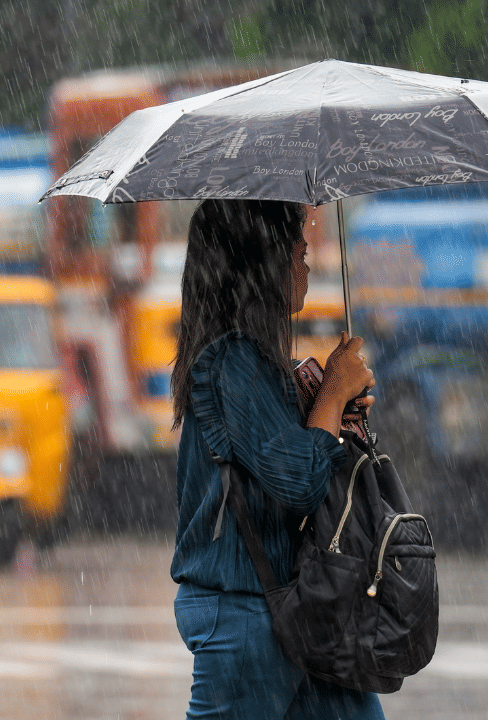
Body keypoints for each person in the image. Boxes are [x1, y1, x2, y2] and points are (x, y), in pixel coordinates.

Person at [168, 198, 383, 720]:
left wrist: (331, 406)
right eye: (297, 250)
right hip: (247, 616)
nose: (306, 263)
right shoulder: (231, 361)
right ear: (262, 264)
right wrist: (332, 395)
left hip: (303, 605)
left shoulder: (261, 364)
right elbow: (300, 480)